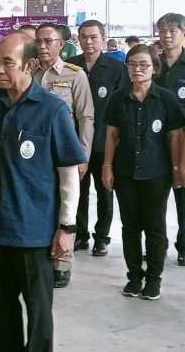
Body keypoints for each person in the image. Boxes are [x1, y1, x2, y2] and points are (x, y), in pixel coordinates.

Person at [0, 33, 86, 352]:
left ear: (30, 65)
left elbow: (68, 172)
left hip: (35, 234)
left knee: (39, 315)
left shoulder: (52, 110)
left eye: (7, 62)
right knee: (2, 315)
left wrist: (67, 227)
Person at [103, 44, 185, 300]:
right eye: (132, 64)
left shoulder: (166, 99)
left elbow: (175, 136)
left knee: (155, 227)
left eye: (143, 65)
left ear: (154, 68)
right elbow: (112, 135)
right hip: (125, 171)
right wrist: (107, 166)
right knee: (129, 226)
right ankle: (134, 277)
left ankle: (154, 280)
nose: (137, 69)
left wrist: (176, 168)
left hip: (157, 173)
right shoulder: (118, 98)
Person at [34, 22, 94, 288]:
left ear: (61, 44)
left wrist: (82, 155)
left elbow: (85, 117)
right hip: (33, 155)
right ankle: (39, 257)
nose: (43, 46)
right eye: (39, 41)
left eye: (49, 41)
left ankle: (62, 263)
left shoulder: (75, 75)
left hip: (63, 153)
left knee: (66, 207)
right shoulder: (29, 71)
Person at [67, 20, 128, 256]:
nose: (88, 41)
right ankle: (80, 234)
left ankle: (101, 236)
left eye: (93, 37)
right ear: (78, 40)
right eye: (83, 37)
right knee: (77, 192)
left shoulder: (115, 68)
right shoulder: (71, 66)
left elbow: (122, 107)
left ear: (103, 38)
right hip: (75, 143)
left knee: (105, 191)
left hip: (104, 143)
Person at [155, 12, 185, 265]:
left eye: (173, 31)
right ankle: (157, 245)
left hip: (183, 141)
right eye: (163, 31)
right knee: (155, 199)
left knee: (183, 195)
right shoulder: (153, 63)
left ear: (183, 34)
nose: (166, 36)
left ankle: (184, 245)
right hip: (153, 141)